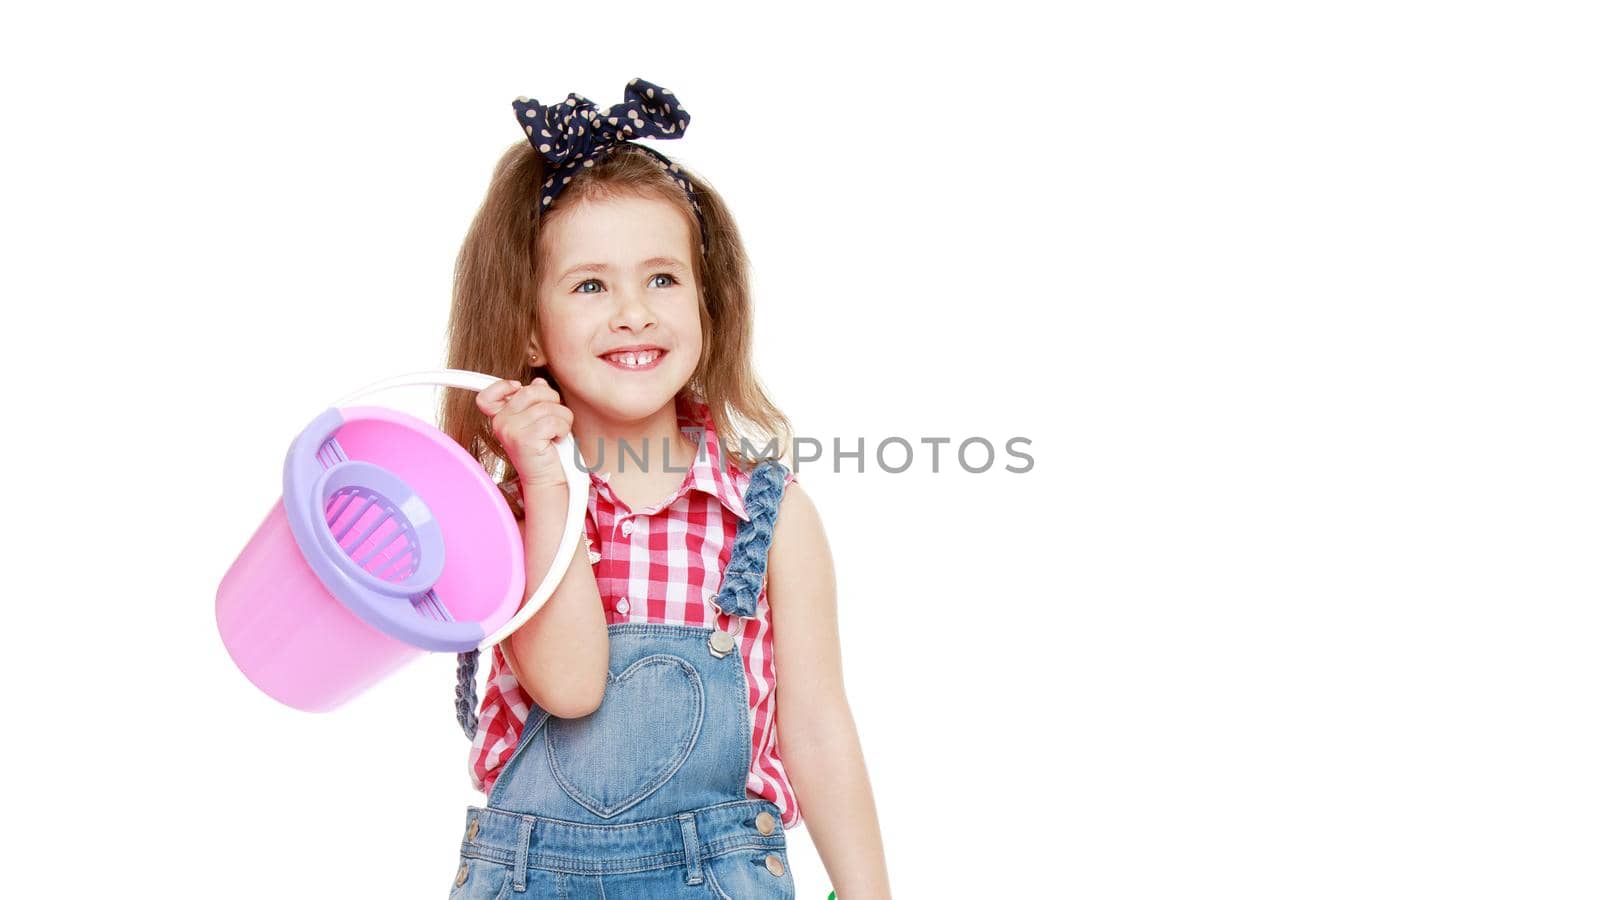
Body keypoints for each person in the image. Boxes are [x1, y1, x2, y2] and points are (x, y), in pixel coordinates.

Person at [435, 78, 891, 898]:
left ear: (709, 304)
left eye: (661, 280)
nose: (633, 314)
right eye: (589, 286)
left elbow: (817, 725)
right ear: (533, 331)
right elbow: (571, 687)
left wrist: (870, 893)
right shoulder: (503, 516)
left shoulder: (769, 515)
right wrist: (546, 477)